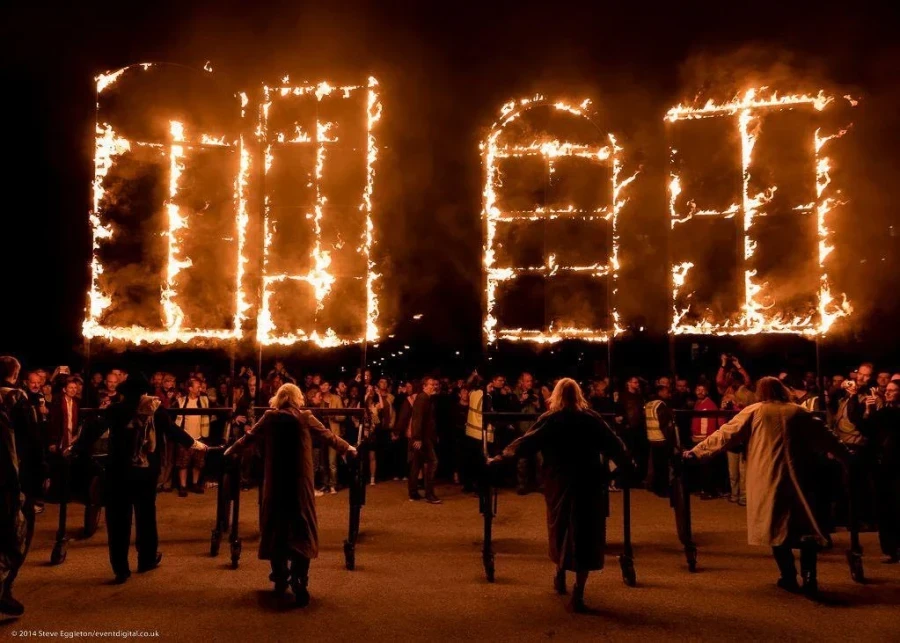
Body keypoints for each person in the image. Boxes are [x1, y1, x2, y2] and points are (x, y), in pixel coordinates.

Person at [685, 377, 849, 596]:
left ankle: (788, 576)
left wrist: (696, 452)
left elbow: (725, 434)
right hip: (799, 476)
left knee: (776, 528)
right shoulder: (799, 412)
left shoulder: (756, 411)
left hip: (769, 477)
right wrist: (848, 457)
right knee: (805, 529)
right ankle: (810, 577)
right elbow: (827, 437)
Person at [490, 378, 631, 613]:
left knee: (561, 529)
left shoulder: (552, 419)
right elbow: (615, 445)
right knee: (586, 536)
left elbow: (526, 442)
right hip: (588, 483)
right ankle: (579, 590)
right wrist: (626, 466)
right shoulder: (591, 418)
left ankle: (560, 573)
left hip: (560, 483)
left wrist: (500, 458)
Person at [224, 384, 355, 607]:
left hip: (276, 483)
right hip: (299, 484)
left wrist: (230, 451)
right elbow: (328, 436)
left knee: (276, 527)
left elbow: (249, 437)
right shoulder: (305, 417)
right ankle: (300, 579)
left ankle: (280, 576)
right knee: (302, 527)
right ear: (297, 398)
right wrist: (348, 448)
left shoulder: (270, 417)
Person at [74, 375, 208, 583]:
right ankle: (146, 559)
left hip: (119, 471)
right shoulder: (155, 410)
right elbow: (172, 430)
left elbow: (94, 430)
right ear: (144, 393)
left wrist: (75, 448)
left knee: (118, 521)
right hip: (146, 473)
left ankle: (121, 569)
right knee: (146, 517)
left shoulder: (116, 410)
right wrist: (195, 444)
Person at [862, 379, 900, 563]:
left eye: (893, 390)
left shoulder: (892, 414)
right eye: (887, 390)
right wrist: (868, 411)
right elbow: (867, 431)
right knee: (884, 507)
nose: (888, 392)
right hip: (882, 465)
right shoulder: (883, 412)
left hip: (896, 464)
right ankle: (890, 549)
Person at [409, 377, 441, 504]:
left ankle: (413, 492)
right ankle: (429, 494)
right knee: (433, 462)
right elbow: (418, 418)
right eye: (431, 385)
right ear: (424, 386)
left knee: (417, 463)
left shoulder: (425, 399)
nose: (434, 387)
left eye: (434, 384)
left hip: (424, 436)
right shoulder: (423, 398)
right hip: (423, 437)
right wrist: (417, 437)